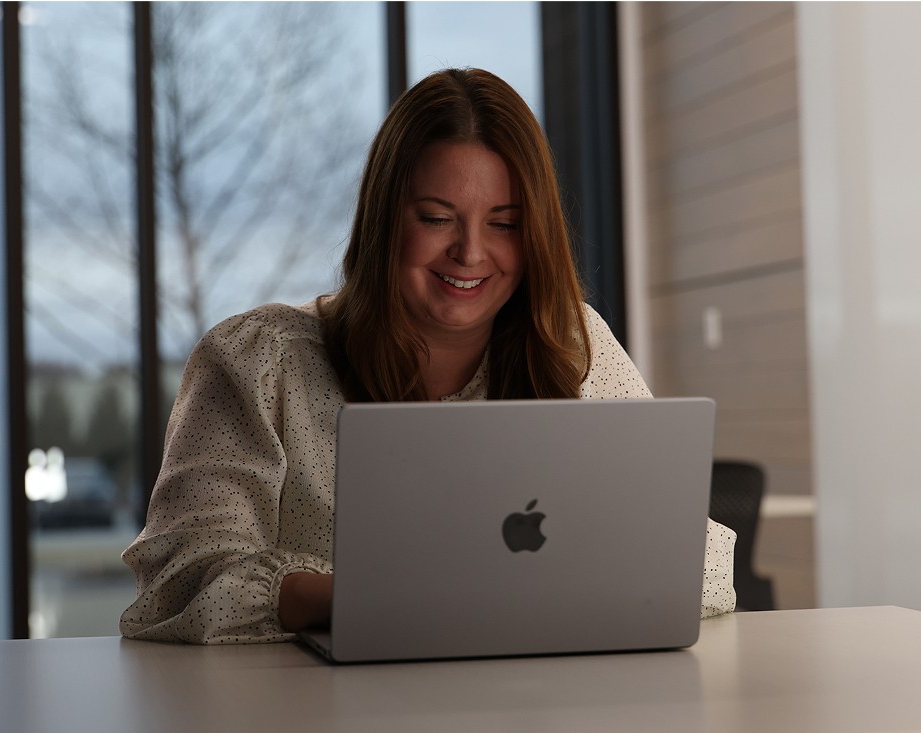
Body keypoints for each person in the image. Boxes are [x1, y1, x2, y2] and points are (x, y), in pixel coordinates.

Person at [120, 68, 736, 644]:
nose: (470, 252)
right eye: (438, 218)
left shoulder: (574, 346)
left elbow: (699, 560)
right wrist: (361, 602)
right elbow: (181, 578)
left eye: (504, 223)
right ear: (384, 220)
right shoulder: (257, 362)